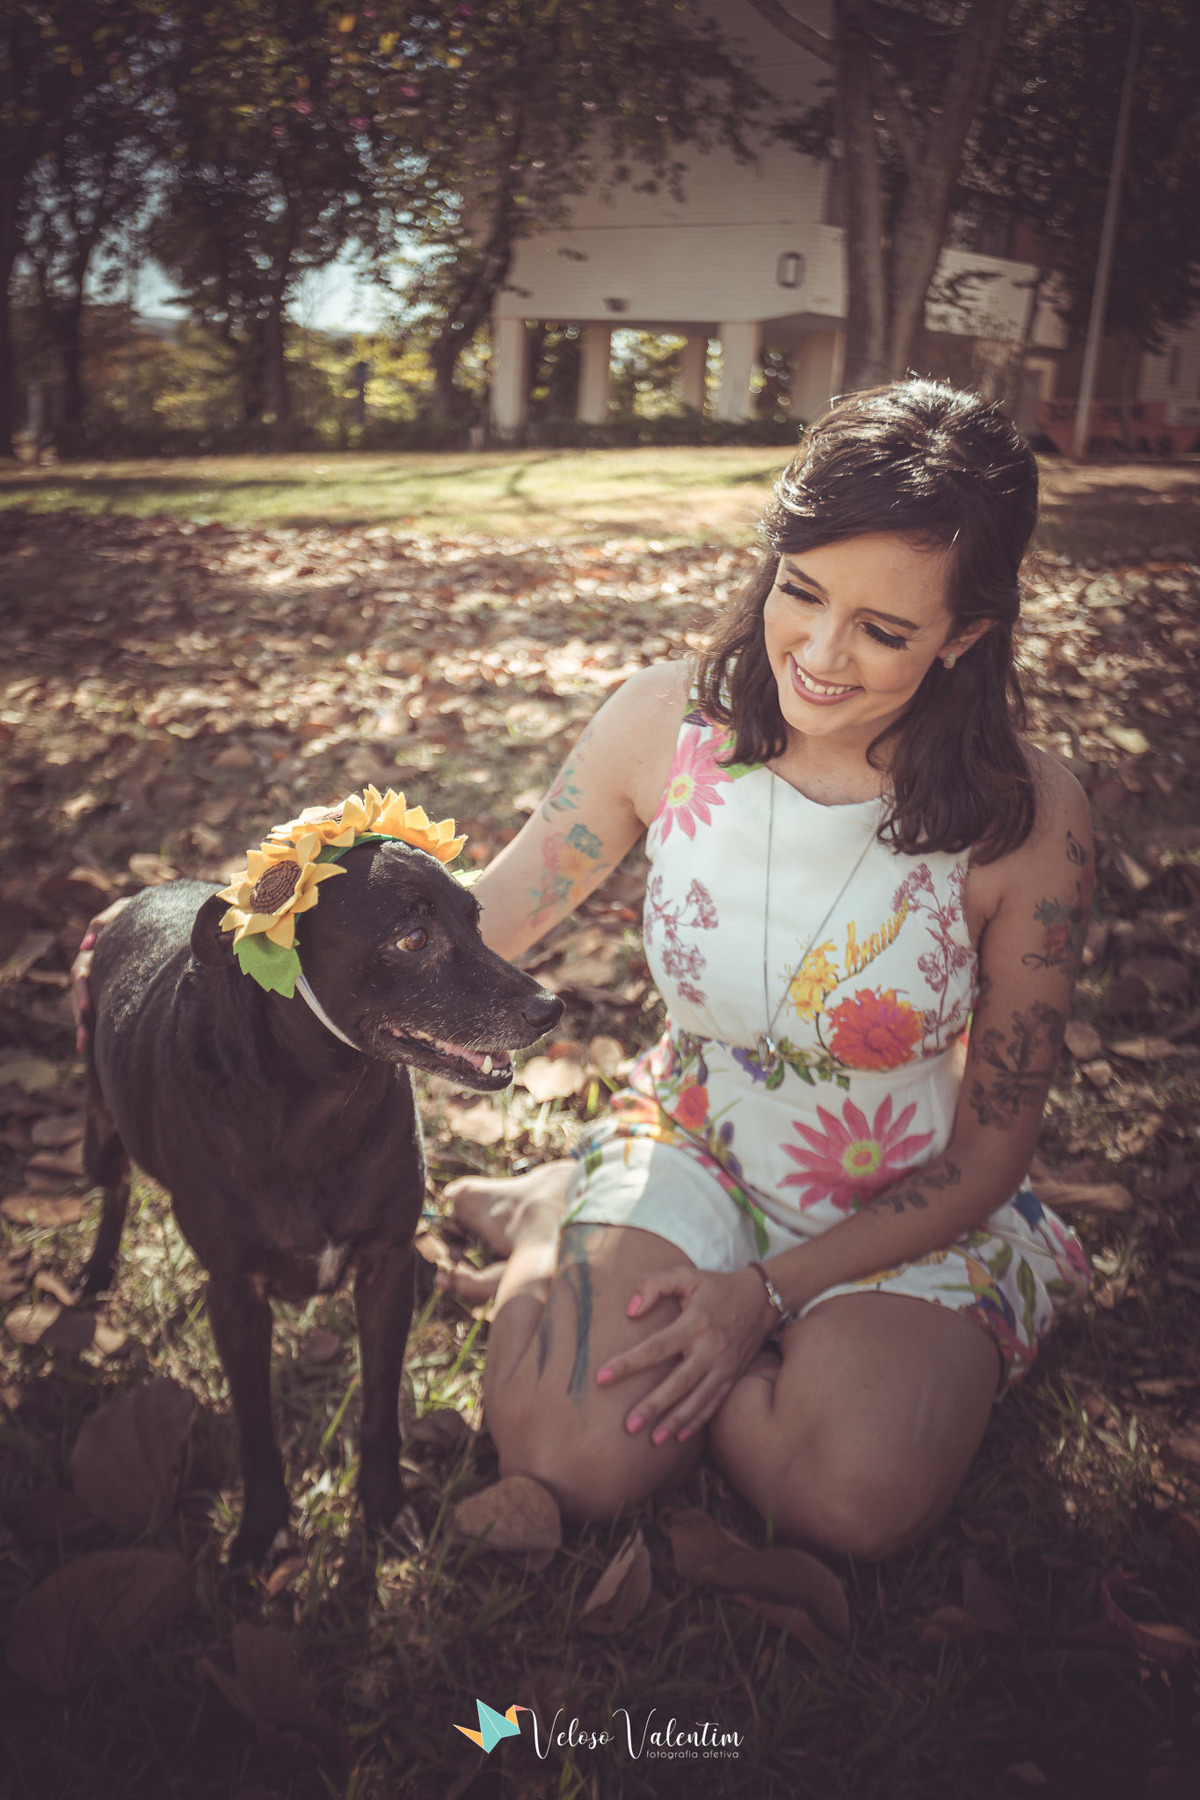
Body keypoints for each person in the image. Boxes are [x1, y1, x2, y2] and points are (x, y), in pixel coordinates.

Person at [75, 380, 1091, 1562]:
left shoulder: (1029, 818)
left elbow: (993, 1149)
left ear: (966, 633)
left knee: (848, 1504)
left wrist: (763, 1298)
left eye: (884, 630)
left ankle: (728, 1311)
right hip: (698, 1144)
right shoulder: (666, 724)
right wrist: (288, 910)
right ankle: (588, 1215)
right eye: (799, 592)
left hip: (906, 1200)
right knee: (568, 1457)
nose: (818, 655)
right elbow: (492, 914)